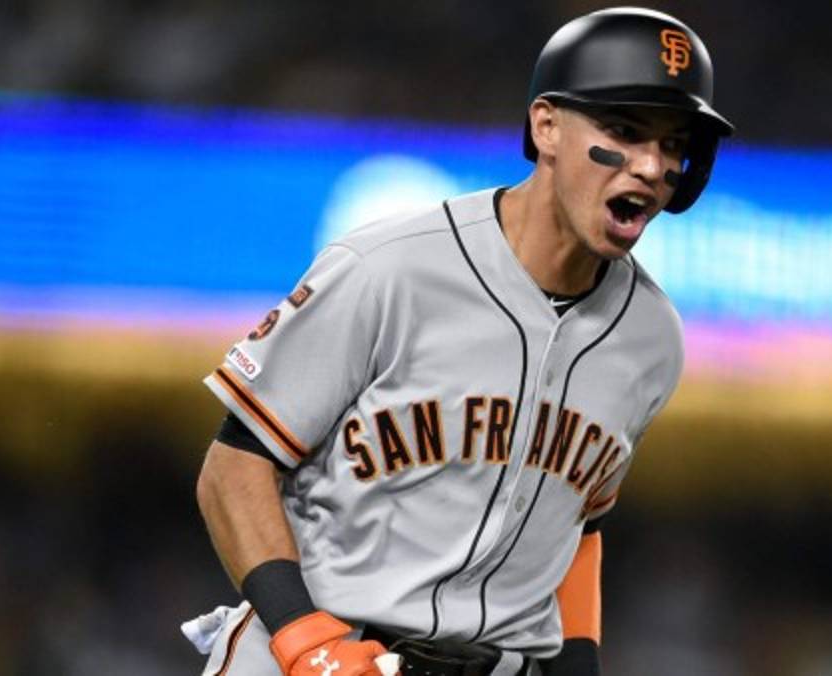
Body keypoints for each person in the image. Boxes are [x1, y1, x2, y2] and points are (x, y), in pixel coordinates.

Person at [183, 7, 733, 675]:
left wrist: (579, 666)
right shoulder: (391, 266)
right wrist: (305, 640)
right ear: (547, 125)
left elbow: (575, 529)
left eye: (673, 143)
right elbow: (233, 468)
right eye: (624, 130)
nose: (651, 164)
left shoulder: (652, 338)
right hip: (311, 646)